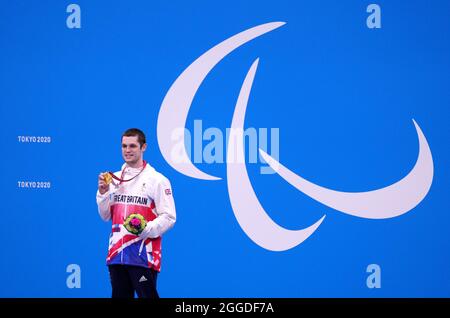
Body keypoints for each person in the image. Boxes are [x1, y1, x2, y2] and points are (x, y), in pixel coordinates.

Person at [96, 128, 176, 298]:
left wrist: (146, 228)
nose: (127, 150)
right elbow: (105, 216)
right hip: (117, 254)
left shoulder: (157, 180)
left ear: (143, 147)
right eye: (124, 146)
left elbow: (169, 217)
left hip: (142, 255)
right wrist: (103, 193)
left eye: (132, 146)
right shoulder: (114, 179)